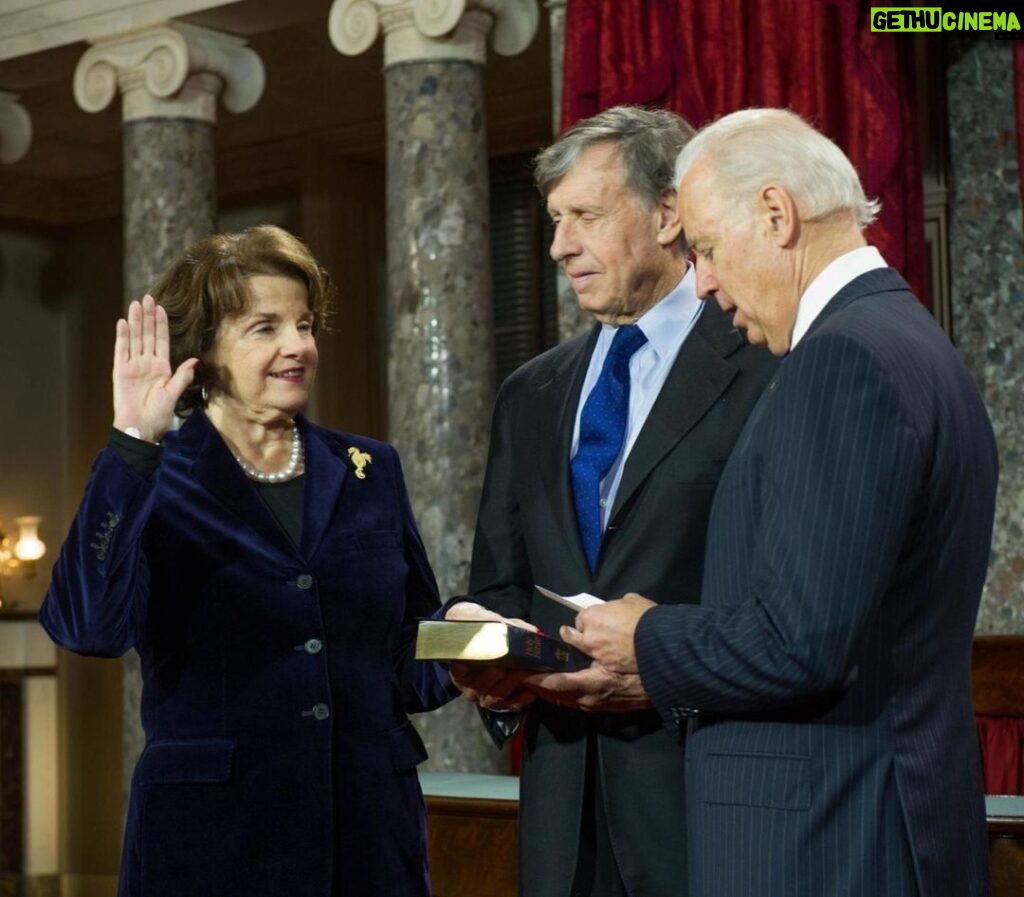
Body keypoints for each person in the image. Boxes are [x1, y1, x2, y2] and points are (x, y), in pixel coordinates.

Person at [548, 108, 999, 897]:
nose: (707, 283)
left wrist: (646, 636)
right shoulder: (909, 339)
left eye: (710, 250)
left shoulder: (843, 361)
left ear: (776, 214)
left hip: (829, 841)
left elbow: (802, 641)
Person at [40, 225, 458, 897]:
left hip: (368, 843)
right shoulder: (155, 476)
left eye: (305, 323)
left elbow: (403, 660)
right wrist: (130, 445)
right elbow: (86, 627)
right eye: (265, 327)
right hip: (212, 844)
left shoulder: (370, 470)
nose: (298, 345)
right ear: (202, 352)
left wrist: (465, 635)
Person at [445, 106, 777, 897]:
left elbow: (786, 603)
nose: (559, 245)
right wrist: (479, 642)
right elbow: (499, 581)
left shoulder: (766, 362)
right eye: (556, 220)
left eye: (585, 216)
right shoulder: (531, 393)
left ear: (669, 215)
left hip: (707, 803)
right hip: (564, 824)